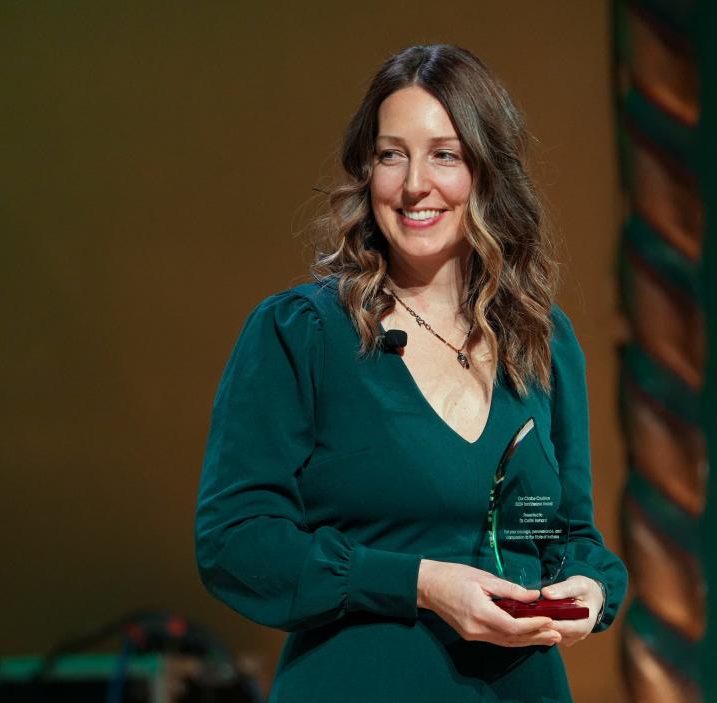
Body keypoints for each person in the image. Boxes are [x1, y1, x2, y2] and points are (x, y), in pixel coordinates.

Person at [195, 44, 628, 702]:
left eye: (444, 154)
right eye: (391, 154)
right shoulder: (302, 334)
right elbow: (235, 542)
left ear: (487, 172)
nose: (414, 183)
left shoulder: (543, 339)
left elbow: (567, 533)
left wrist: (589, 589)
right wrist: (419, 582)